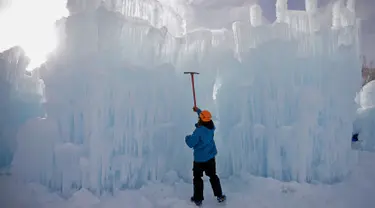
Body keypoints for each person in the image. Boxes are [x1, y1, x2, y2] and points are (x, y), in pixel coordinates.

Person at [185, 106, 226, 206]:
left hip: (199, 160)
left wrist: (187, 137)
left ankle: (198, 199)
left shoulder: (199, 131)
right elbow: (203, 116)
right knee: (213, 176)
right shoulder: (211, 127)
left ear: (201, 120)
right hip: (210, 157)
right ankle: (219, 196)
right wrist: (198, 111)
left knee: (198, 178)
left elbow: (191, 143)